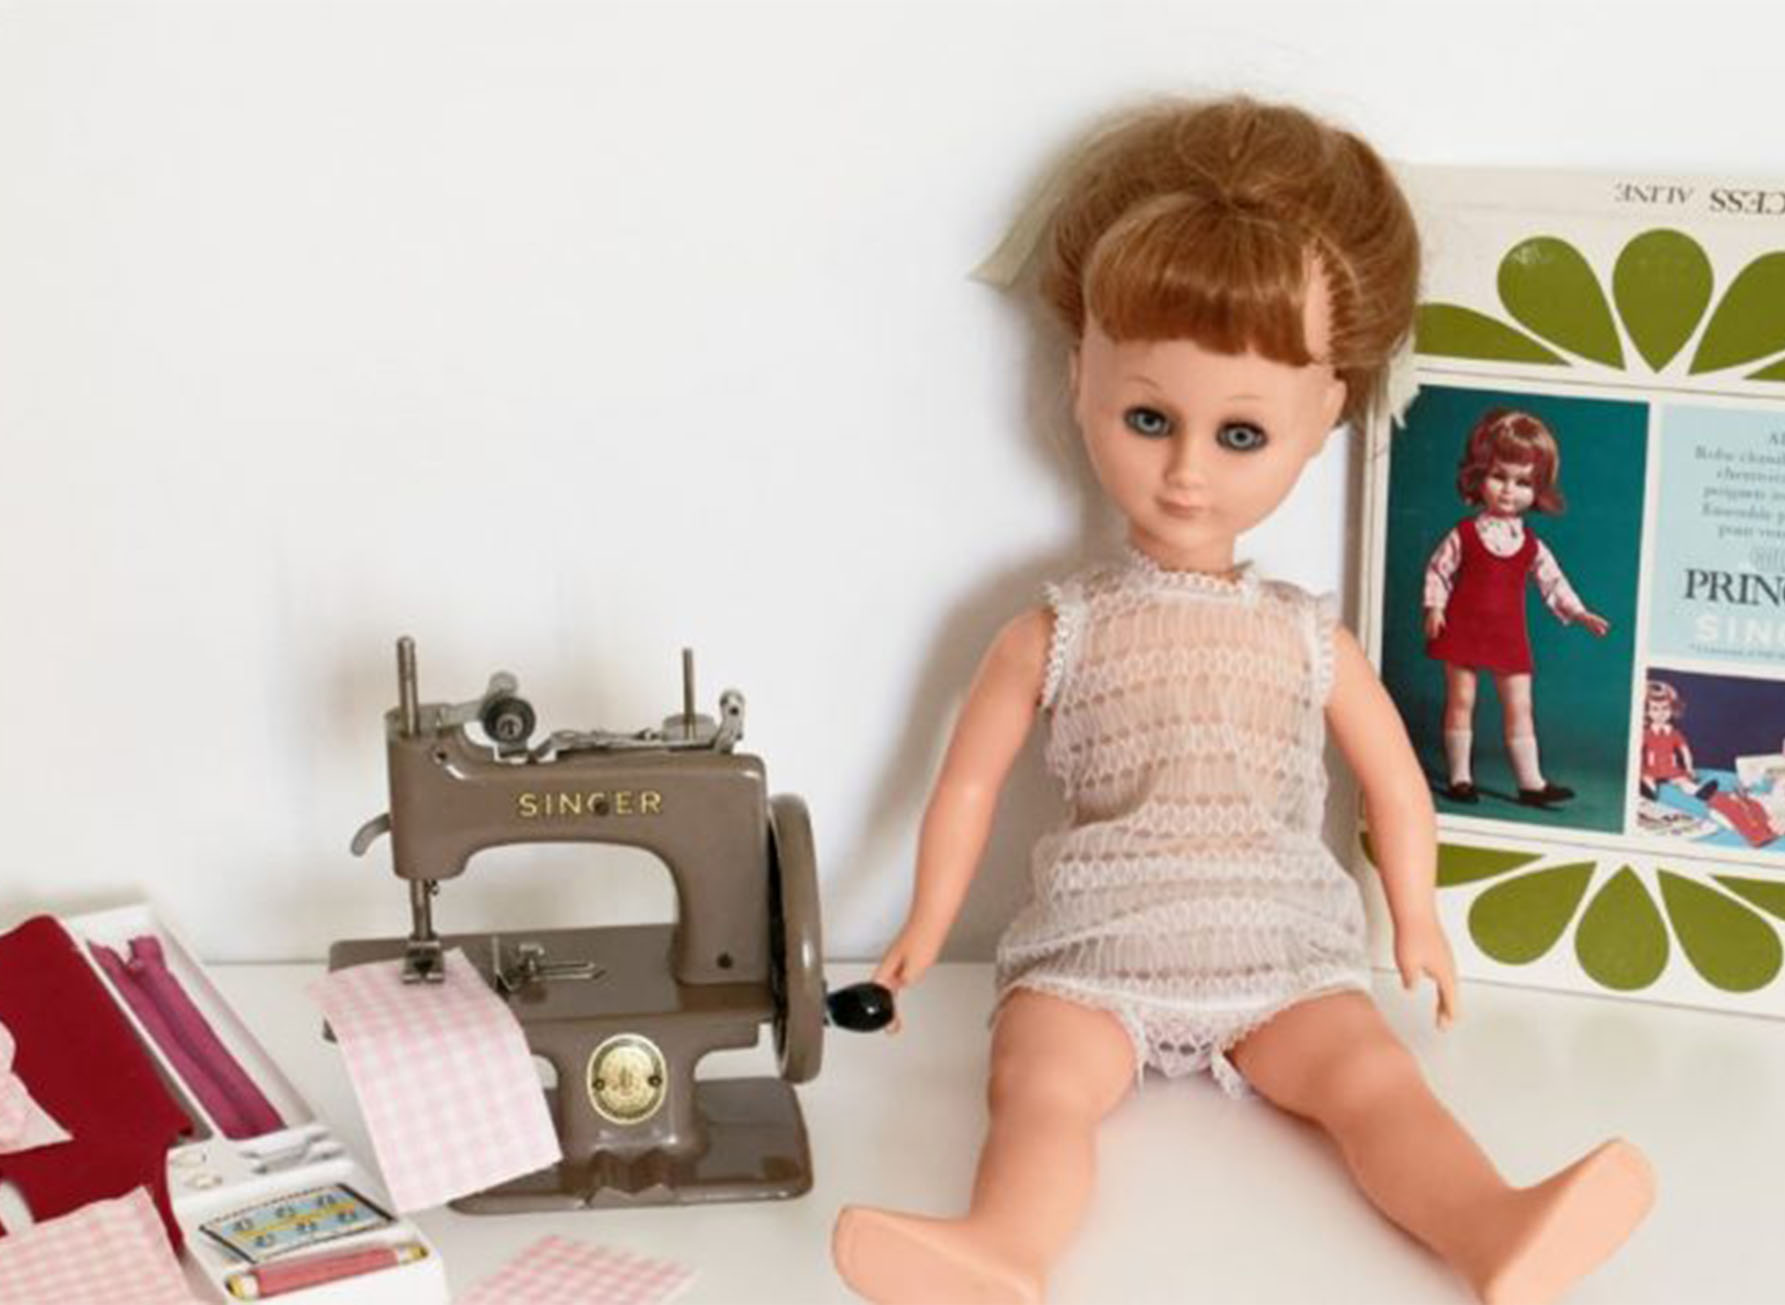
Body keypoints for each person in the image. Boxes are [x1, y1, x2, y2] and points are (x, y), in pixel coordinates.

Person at [832, 97, 1654, 1305]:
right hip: (1097, 946)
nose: (1185, 471)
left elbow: (1395, 785)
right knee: (1039, 1085)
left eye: (1241, 434)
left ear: (1326, 415)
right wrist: (919, 926)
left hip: (1279, 947)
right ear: (1080, 378)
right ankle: (1003, 1247)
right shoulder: (1055, 629)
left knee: (1372, 1080)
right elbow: (965, 783)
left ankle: (1492, 1226)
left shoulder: (1305, 634)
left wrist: (1417, 921)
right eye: (1149, 418)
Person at [1424, 409, 1611, 808]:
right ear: (1479, 476)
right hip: (1463, 627)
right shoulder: (1464, 534)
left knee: (1520, 704)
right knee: (1461, 700)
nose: (1509, 491)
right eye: (1498, 476)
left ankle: (1531, 782)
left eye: (1523, 482)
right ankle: (1460, 777)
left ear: (1538, 489)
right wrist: (1434, 607)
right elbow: (1439, 569)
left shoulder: (1530, 545)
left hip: (1508, 635)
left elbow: (1553, 581)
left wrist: (1578, 612)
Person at [1638, 678, 1716, 802]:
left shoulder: (1674, 734)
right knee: (1648, 780)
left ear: (1672, 709)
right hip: (1651, 769)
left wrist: (1689, 768)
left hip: (1670, 769)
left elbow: (1685, 751)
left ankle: (1699, 792)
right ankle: (1649, 795)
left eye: (1665, 708)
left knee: (1683, 782)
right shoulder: (1646, 734)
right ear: (1647, 712)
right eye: (1655, 709)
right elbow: (1638, 751)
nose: (1661, 713)